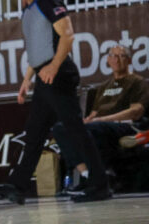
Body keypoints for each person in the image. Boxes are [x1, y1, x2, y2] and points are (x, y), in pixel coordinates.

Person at [0, 0, 109, 204]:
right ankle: (18, 186)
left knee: (75, 129)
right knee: (34, 133)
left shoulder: (48, 2)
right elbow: (36, 47)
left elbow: (68, 35)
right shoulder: (28, 9)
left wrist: (53, 66)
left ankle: (99, 184)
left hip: (58, 74)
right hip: (44, 75)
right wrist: (26, 79)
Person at [52, 45, 148, 193]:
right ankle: (86, 175)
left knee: (93, 129)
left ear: (128, 60)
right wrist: (83, 121)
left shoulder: (137, 82)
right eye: (112, 56)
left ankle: (98, 179)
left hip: (124, 126)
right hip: (100, 125)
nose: (116, 60)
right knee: (60, 129)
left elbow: (136, 111)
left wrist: (104, 119)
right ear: (108, 60)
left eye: (121, 56)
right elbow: (94, 115)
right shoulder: (103, 87)